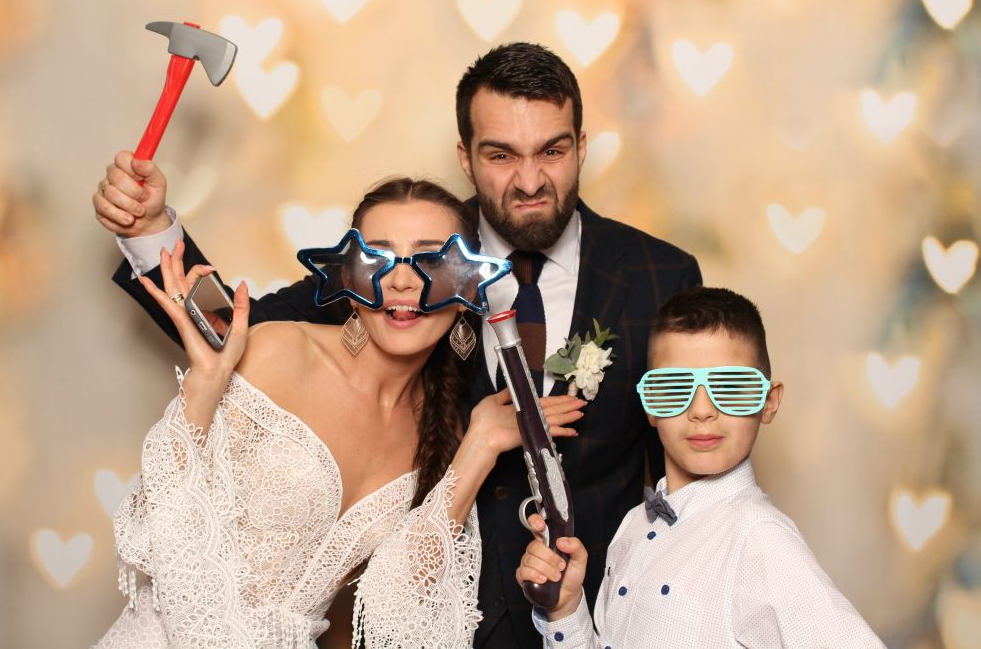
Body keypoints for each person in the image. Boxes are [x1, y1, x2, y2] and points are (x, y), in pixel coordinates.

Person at [93, 42, 702, 647]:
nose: (529, 180)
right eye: (500, 154)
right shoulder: (402, 251)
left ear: (581, 147)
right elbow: (230, 336)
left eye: (552, 151)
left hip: (586, 619)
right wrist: (151, 231)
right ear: (466, 157)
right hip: (445, 624)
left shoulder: (660, 275)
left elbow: (686, 467)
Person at [92, 177, 586, 648]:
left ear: (467, 291)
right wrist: (203, 386)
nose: (401, 280)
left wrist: (479, 447)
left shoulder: (440, 428)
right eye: (378, 258)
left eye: (431, 260)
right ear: (349, 277)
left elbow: (400, 620)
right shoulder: (278, 351)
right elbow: (164, 532)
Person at [515, 287, 885, 648]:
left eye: (730, 386)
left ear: (768, 402)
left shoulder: (760, 540)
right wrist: (565, 611)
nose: (702, 411)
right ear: (649, 403)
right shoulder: (633, 526)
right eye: (675, 387)